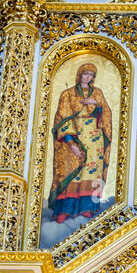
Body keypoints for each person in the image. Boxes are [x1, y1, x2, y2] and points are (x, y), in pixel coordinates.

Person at [49, 63, 112, 223]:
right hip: (75, 136)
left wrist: (97, 104)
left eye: (91, 75)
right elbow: (62, 120)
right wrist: (71, 143)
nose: (88, 77)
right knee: (70, 170)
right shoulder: (68, 94)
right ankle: (65, 209)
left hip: (94, 140)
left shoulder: (97, 93)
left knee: (91, 173)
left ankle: (87, 208)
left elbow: (106, 114)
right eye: (85, 74)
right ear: (79, 74)